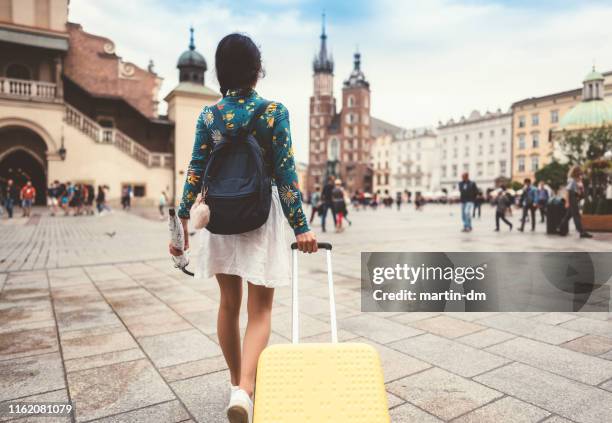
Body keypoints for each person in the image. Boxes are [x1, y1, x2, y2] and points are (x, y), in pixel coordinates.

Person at [168, 33, 317, 423]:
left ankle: (238, 384)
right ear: (257, 68)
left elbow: (195, 172)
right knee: (261, 309)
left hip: (218, 215)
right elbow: (285, 176)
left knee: (228, 304)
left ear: (220, 70)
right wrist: (300, 227)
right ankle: (245, 389)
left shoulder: (208, 116)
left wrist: (182, 223)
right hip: (258, 215)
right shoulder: (273, 112)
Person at [558, 165, 592, 238]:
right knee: (576, 216)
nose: (581, 173)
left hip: (574, 197)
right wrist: (567, 202)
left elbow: (577, 190)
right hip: (572, 198)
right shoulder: (572, 180)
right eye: (579, 172)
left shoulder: (574, 180)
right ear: (577, 172)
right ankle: (581, 232)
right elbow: (568, 191)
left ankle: (560, 228)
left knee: (568, 215)